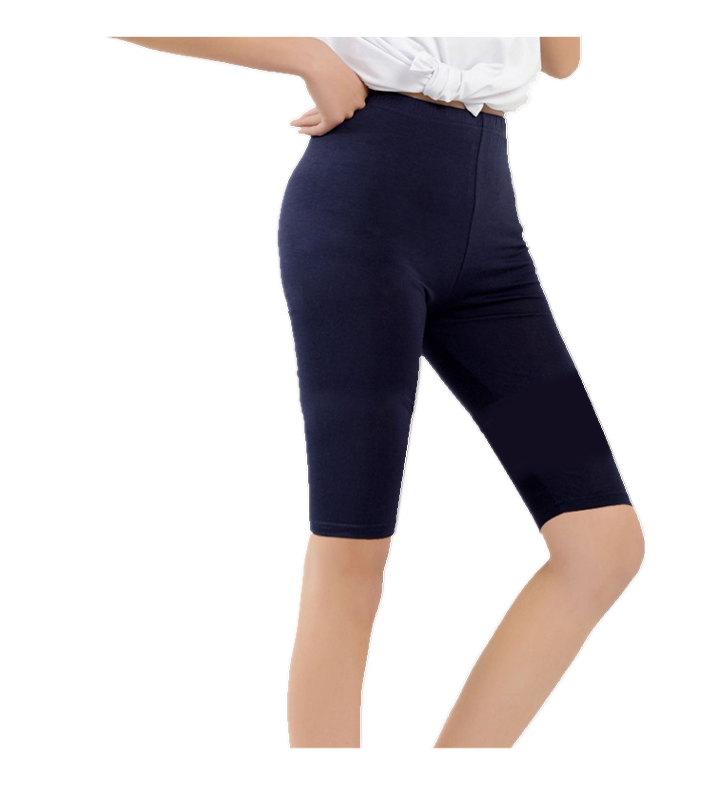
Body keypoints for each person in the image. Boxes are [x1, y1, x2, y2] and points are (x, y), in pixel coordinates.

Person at [113, 36, 645, 749]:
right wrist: (308, 56)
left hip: (489, 230)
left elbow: (561, 58)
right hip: (363, 214)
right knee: (353, 549)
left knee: (602, 543)